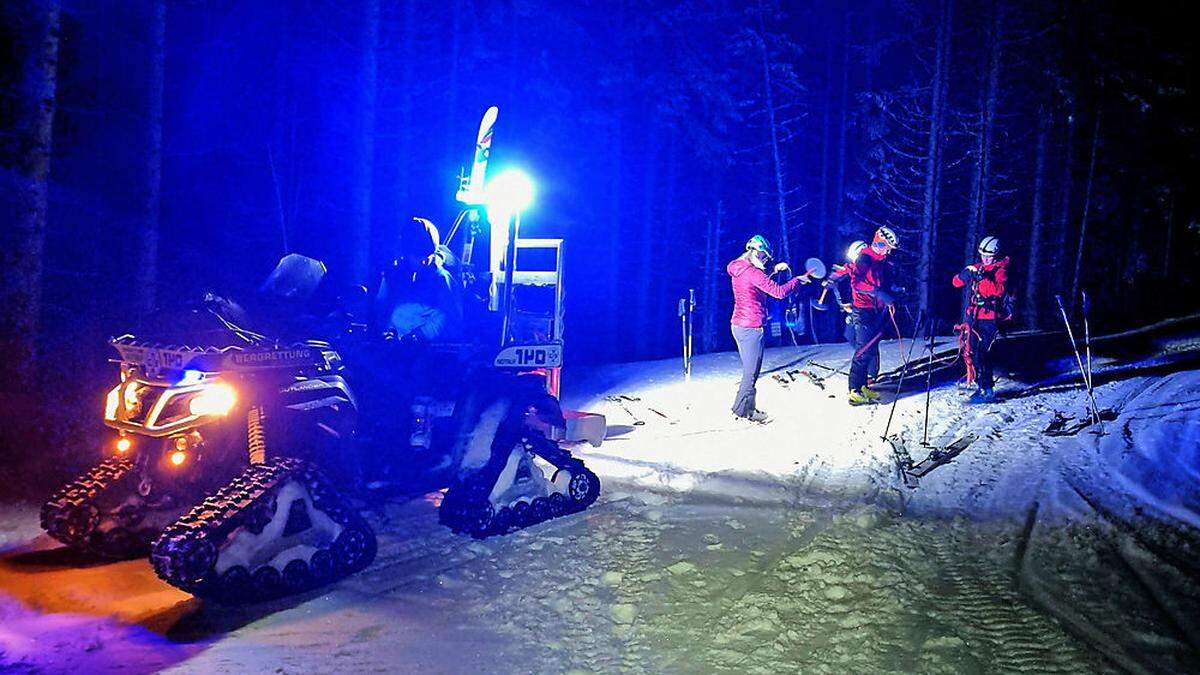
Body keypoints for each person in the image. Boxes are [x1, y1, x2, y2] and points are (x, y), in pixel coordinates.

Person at [727, 235, 810, 421]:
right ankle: (740, 412)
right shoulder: (752, 272)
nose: (765, 260)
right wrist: (796, 280)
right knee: (750, 374)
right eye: (764, 256)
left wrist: (773, 270)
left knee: (751, 372)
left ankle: (748, 410)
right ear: (755, 251)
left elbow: (757, 280)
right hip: (751, 328)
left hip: (739, 325)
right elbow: (779, 292)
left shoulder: (740, 268)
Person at [843, 227, 900, 406]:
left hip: (875, 311)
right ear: (880, 243)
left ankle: (862, 386)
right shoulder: (865, 258)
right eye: (887, 247)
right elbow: (857, 282)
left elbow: (881, 283)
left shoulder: (881, 261)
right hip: (863, 310)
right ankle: (854, 390)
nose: (888, 251)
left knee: (871, 348)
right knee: (863, 350)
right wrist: (877, 292)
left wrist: (892, 292)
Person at [952, 235, 1010, 403]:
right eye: (982, 255)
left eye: (988, 256)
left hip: (990, 319)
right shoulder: (978, 267)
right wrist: (965, 275)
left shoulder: (1001, 270)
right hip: (974, 317)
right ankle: (980, 386)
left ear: (996, 255)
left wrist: (982, 278)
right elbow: (956, 282)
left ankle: (988, 389)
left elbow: (999, 290)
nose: (985, 259)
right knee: (970, 352)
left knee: (982, 354)